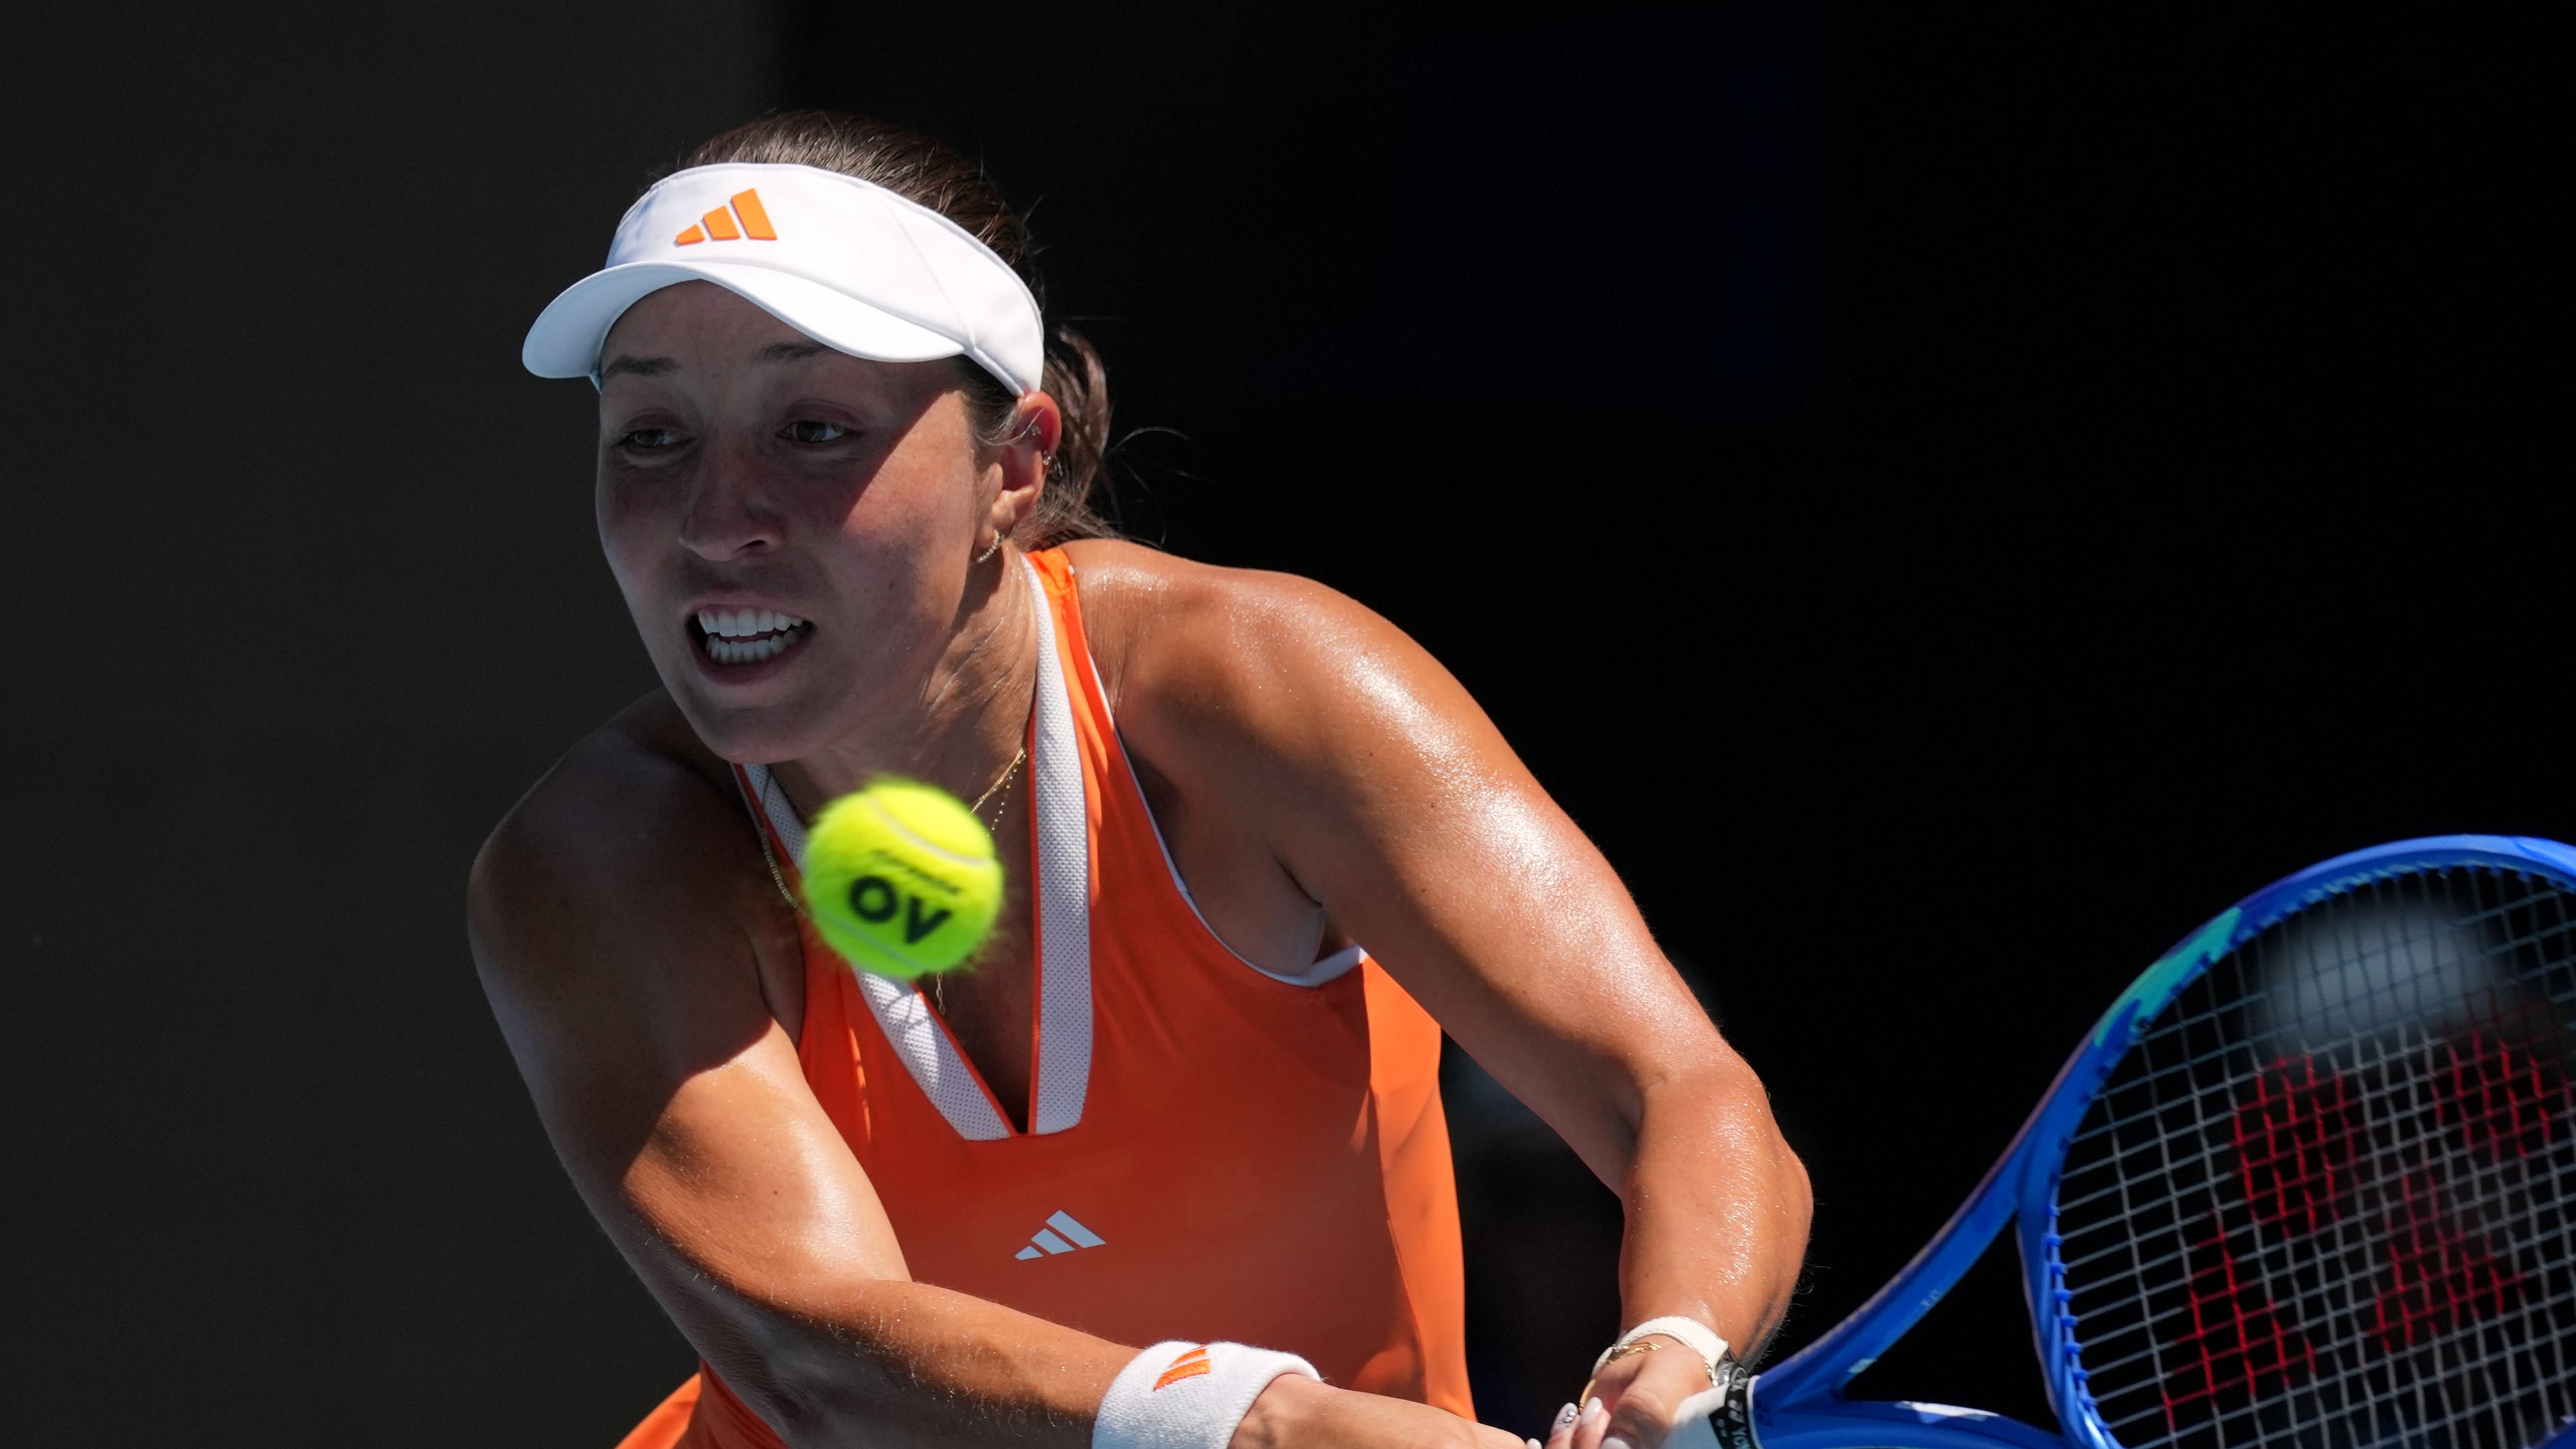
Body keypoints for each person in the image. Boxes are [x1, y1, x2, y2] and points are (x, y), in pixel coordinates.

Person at [471, 111, 1811, 1449]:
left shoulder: (1265, 693)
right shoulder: (601, 860)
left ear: (1013, 465)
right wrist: (1270, 1428)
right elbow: (819, 1356)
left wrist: (1676, 1354)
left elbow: (1675, 1091)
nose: (717, 522)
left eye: (813, 428)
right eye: (652, 435)